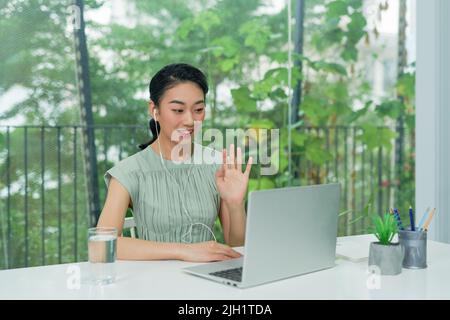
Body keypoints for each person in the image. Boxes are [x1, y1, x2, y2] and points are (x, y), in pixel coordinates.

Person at [97, 63, 253, 262]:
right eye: (178, 110)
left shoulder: (216, 165)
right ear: (155, 110)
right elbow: (103, 246)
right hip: (153, 284)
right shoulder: (129, 172)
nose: (190, 120)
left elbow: (239, 247)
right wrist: (184, 250)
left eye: (198, 109)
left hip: (205, 282)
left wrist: (235, 204)